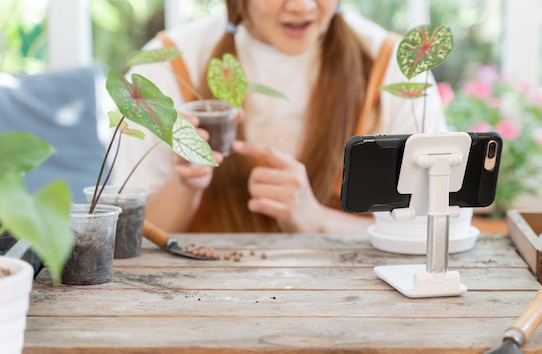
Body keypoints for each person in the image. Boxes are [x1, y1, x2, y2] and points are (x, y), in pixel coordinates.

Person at [115, 0, 447, 234]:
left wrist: (316, 220)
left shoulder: (395, 68)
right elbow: (130, 236)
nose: (302, 6)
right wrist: (184, 184)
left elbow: (434, 228)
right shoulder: (166, 67)